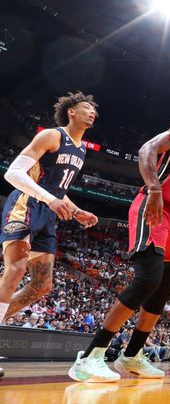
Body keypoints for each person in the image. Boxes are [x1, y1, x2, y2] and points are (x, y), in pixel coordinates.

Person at [69, 91, 170, 383]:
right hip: (154, 206)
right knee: (147, 279)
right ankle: (91, 356)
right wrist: (154, 189)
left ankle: (131, 356)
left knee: (165, 288)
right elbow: (146, 150)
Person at [1, 92, 100, 371]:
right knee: (16, 269)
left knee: (42, 286)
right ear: (71, 111)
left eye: (94, 110)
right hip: (26, 203)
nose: (92, 113)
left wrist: (77, 210)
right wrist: (50, 200)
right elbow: (13, 174)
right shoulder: (52, 136)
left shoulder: (81, 150)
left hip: (49, 211)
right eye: (86, 108)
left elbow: (59, 191)